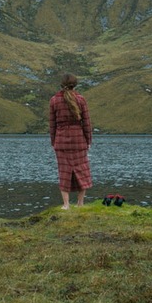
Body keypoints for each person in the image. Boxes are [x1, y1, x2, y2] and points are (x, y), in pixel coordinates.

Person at [48, 73, 93, 209]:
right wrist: (88, 140)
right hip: (79, 140)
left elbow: (52, 125)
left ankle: (66, 205)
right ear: (75, 84)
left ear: (61, 84)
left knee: (64, 171)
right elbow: (86, 123)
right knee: (82, 170)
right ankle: (80, 203)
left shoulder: (54, 100)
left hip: (61, 142)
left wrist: (53, 142)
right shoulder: (81, 99)